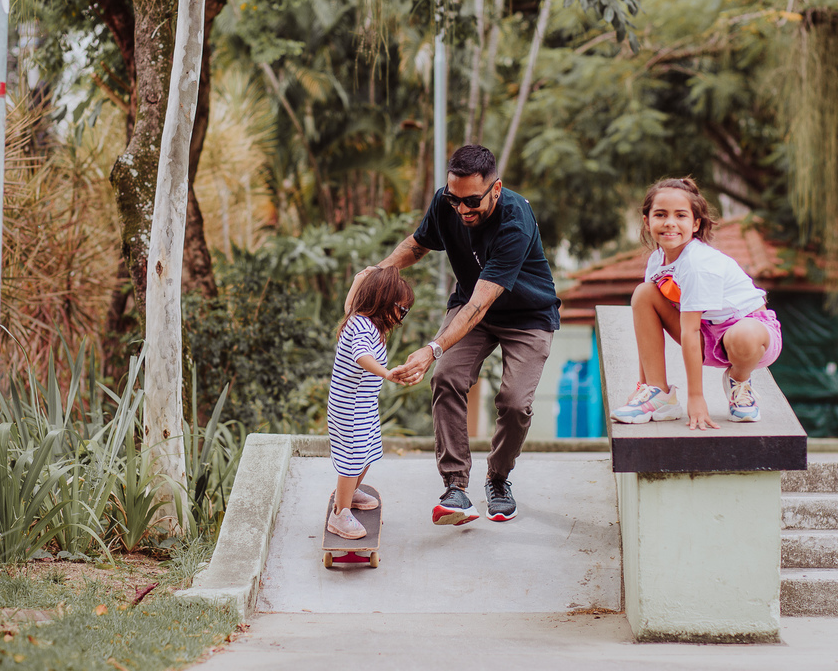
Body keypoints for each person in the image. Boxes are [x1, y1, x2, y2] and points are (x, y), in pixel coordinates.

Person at [355, 145, 560, 526]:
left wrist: (432, 347)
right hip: (471, 307)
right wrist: (376, 272)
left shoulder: (516, 221)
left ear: (495, 189)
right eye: (454, 199)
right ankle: (455, 486)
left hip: (527, 316)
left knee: (515, 402)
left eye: (471, 201)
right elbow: (418, 245)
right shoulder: (447, 203)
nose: (462, 209)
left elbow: (481, 305)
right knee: (446, 376)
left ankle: (498, 479)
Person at [610, 177, 783, 429]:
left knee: (743, 335)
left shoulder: (698, 263)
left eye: (681, 215)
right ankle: (659, 394)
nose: (670, 223)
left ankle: (739, 380)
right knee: (643, 293)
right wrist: (643, 385)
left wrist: (696, 397)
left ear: (695, 224)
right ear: (647, 222)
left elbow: (689, 331)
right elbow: (648, 330)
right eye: (660, 215)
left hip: (753, 336)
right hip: (707, 335)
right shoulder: (657, 262)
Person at [326, 266, 414, 539]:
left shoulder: (362, 318)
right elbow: (361, 355)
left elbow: (349, 303)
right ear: (383, 301)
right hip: (350, 408)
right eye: (401, 308)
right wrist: (387, 373)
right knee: (352, 458)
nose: (402, 316)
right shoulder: (363, 328)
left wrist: (357, 279)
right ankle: (340, 514)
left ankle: (349, 495)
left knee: (368, 452)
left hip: (362, 404)